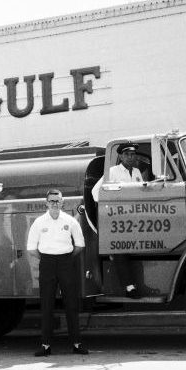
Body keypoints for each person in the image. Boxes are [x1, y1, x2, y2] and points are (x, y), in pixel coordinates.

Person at [27, 189, 88, 356]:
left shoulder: (70, 221)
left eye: (57, 200)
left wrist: (65, 258)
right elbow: (31, 248)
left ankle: (76, 344)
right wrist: (47, 258)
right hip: (47, 264)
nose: (54, 203)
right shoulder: (39, 222)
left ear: (63, 203)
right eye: (51, 201)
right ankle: (45, 346)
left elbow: (80, 245)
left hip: (66, 262)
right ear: (46, 203)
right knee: (47, 305)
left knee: (71, 305)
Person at [91, 143, 143, 299]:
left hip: (134, 218)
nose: (131, 157)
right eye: (127, 154)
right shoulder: (112, 172)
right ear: (120, 156)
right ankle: (129, 287)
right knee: (120, 249)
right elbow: (95, 192)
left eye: (133, 154)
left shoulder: (137, 172)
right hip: (118, 218)